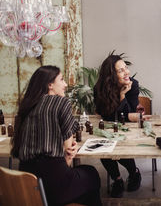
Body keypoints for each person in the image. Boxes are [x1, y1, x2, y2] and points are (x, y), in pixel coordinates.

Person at [11, 65, 101, 206]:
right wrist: (69, 153)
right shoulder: (61, 102)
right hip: (53, 184)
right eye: (62, 79)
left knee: (81, 183)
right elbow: (68, 150)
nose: (65, 84)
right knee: (92, 174)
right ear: (50, 85)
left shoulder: (27, 106)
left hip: (27, 183)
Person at [94, 52, 144, 198]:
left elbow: (128, 115)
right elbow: (106, 115)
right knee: (103, 149)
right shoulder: (99, 88)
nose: (126, 72)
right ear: (111, 75)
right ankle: (117, 179)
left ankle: (134, 173)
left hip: (126, 128)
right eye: (120, 70)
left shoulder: (133, 85)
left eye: (125, 68)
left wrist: (122, 96)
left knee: (122, 148)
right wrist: (122, 108)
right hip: (108, 126)